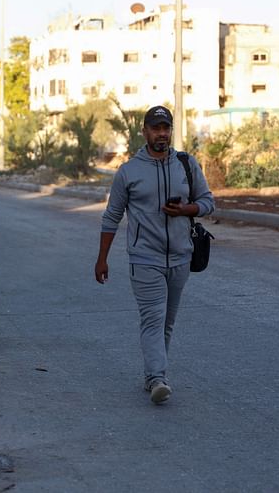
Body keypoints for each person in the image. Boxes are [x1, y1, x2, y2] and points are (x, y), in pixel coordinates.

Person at [94, 105, 215, 405]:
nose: (162, 133)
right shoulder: (129, 172)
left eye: (166, 128)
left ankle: (153, 374)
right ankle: (157, 377)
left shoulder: (186, 164)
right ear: (145, 131)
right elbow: (112, 217)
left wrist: (187, 209)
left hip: (181, 257)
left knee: (167, 322)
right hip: (144, 258)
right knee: (153, 318)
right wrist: (102, 258)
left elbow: (208, 201)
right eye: (156, 128)